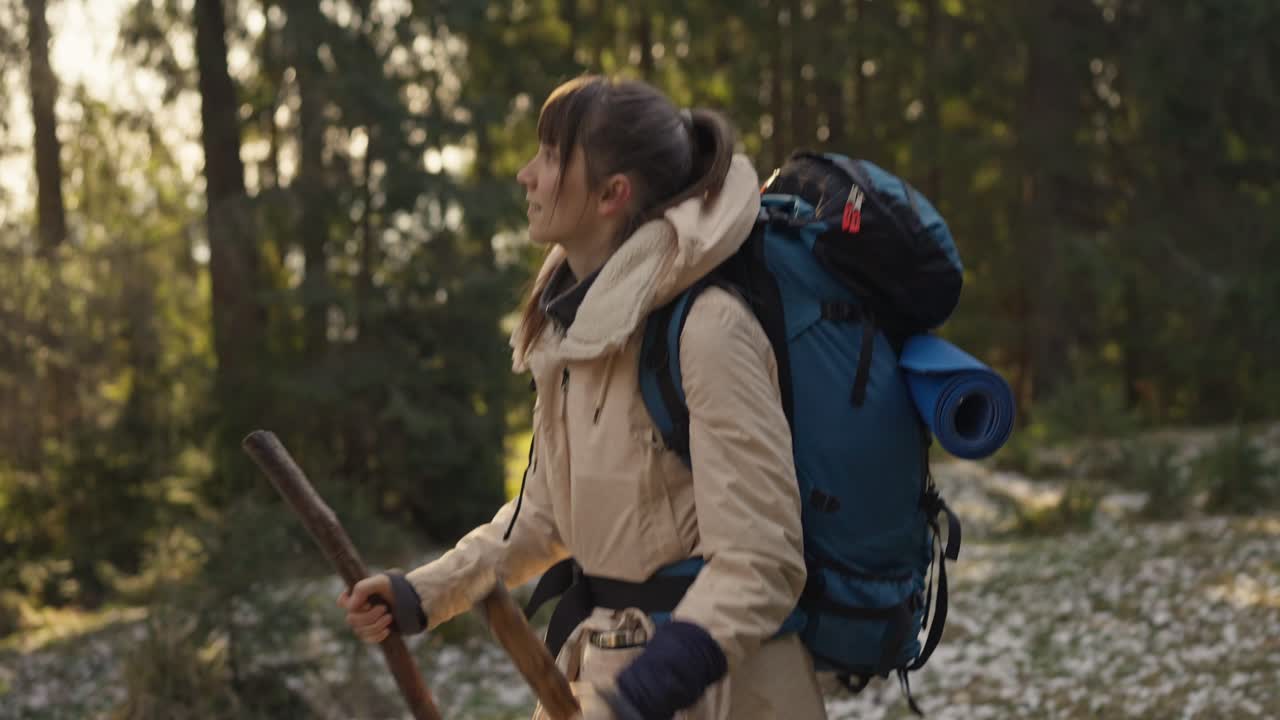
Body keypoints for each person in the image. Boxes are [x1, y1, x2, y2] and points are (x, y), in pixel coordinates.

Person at [337, 74, 826, 720]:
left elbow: (762, 562)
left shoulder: (708, 330)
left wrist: (643, 693)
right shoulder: (573, 338)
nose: (525, 175)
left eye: (548, 156)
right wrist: (418, 594)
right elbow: (544, 518)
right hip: (603, 679)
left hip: (723, 696)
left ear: (611, 195)